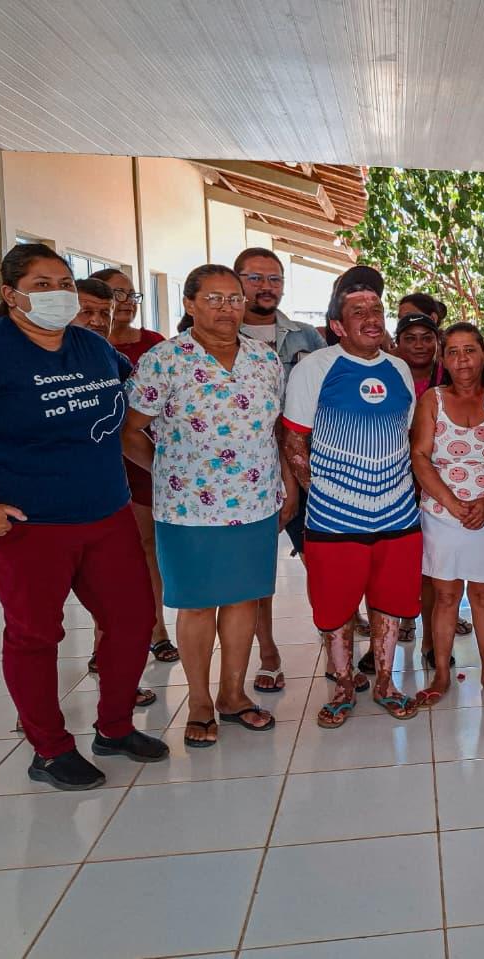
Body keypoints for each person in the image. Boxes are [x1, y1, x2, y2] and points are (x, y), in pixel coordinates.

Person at [0, 243, 168, 790]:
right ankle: (49, 748)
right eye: (42, 284)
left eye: (65, 283)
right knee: (35, 634)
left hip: (106, 513)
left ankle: (114, 728)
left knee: (132, 621)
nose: (58, 294)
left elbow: (128, 417)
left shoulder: (92, 349)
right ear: (10, 294)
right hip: (26, 524)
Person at [123, 264, 291, 747]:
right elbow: (130, 430)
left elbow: (275, 430)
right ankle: (198, 700)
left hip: (255, 503)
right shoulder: (165, 359)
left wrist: (285, 486)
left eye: (234, 298)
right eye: (214, 299)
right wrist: (167, 471)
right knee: (198, 606)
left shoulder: (264, 360)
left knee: (242, 599)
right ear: (190, 304)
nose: (227, 308)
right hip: (187, 511)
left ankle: (232, 695)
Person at [282, 276, 420, 729]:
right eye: (358, 312)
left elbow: (407, 436)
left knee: (390, 602)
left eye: (377, 310)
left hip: (398, 514)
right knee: (336, 607)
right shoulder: (316, 368)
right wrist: (320, 493)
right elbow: (294, 440)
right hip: (334, 518)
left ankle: (384, 681)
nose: (371, 319)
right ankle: (343, 683)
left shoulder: (399, 369)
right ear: (337, 325)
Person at [235, 247, 327, 694]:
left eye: (274, 278)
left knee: (322, 559)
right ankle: (268, 652)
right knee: (254, 573)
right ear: (236, 282)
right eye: (255, 278)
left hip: (303, 465)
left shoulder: (307, 337)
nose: (266, 286)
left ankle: (336, 643)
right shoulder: (216, 336)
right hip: (240, 472)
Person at [70, 278, 158, 710]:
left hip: (117, 491)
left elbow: (130, 426)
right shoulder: (7, 353)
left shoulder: (111, 358)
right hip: (43, 507)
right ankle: (35, 719)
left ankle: (117, 699)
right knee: (37, 623)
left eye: (102, 312)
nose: (98, 319)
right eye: (88, 310)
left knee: (124, 594)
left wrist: (167, 474)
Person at [411, 322, 484, 703]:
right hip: (441, 512)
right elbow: (419, 456)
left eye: (469, 350)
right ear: (443, 359)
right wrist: (451, 503)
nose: (462, 359)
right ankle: (441, 675)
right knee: (446, 597)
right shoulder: (431, 400)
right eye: (452, 351)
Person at [89, 268, 174, 667]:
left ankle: (156, 630)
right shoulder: (81, 345)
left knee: (146, 549)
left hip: (144, 463)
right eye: (114, 294)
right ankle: (102, 642)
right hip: (98, 467)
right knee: (103, 563)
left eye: (129, 294)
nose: (123, 302)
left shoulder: (155, 346)